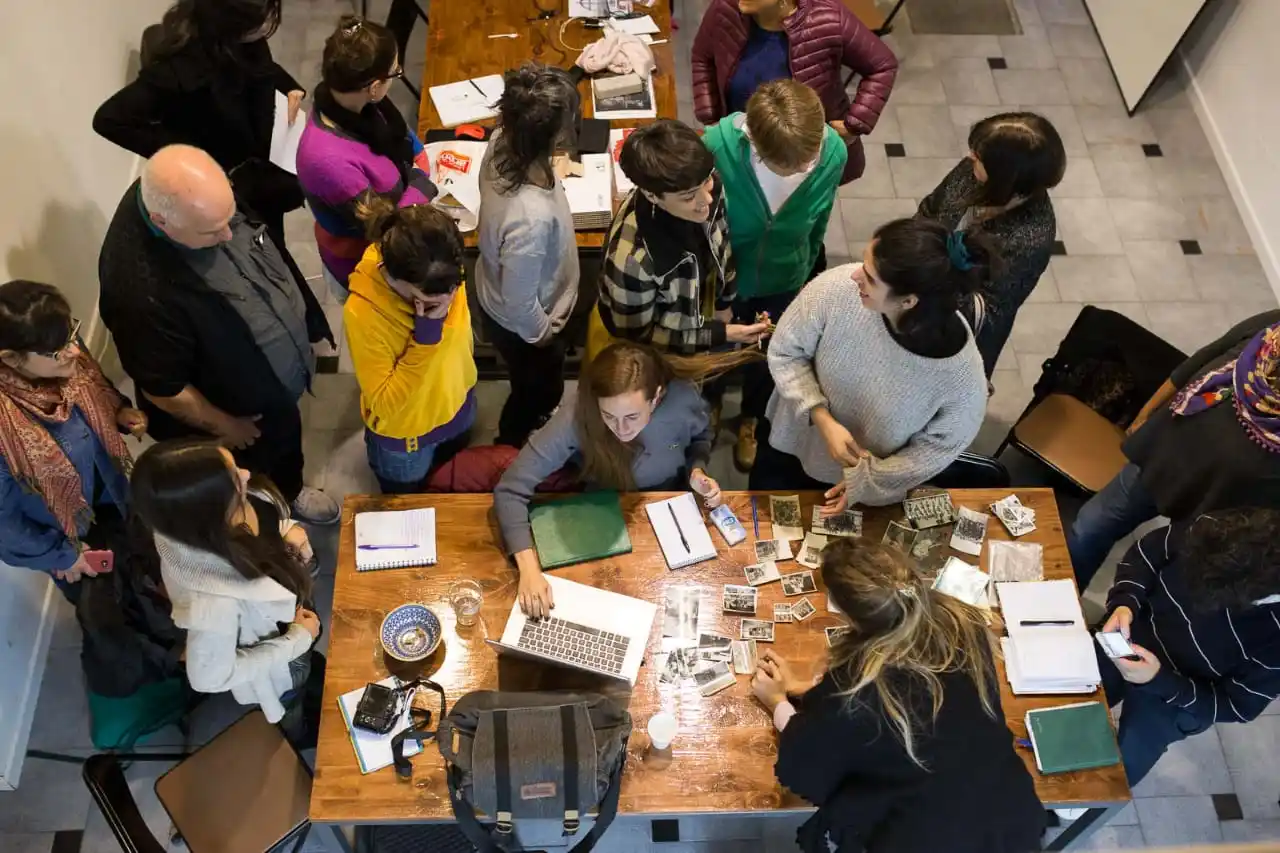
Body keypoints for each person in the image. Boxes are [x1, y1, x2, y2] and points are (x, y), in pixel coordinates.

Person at [98, 144, 340, 524]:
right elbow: (163, 389)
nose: (230, 234)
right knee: (251, 480)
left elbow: (265, 251)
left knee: (285, 445)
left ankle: (290, 491)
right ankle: (275, 526)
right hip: (239, 417)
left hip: (274, 402)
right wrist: (226, 425)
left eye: (230, 216)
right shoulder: (137, 292)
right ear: (164, 223)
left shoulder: (199, 197)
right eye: (213, 231)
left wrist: (307, 319)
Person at [752, 538, 1044, 852]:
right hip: (1009, 817)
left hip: (928, 837)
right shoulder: (963, 625)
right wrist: (817, 692)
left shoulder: (859, 691)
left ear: (850, 617)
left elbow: (808, 761)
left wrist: (778, 702)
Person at [494, 342, 758, 617]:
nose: (621, 430)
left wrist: (697, 471)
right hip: (603, 508)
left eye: (632, 416)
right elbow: (511, 488)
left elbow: (700, 437)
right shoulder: (578, 413)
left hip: (671, 505)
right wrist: (528, 568)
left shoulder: (684, 399)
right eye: (608, 416)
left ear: (656, 398)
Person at [753, 218, 991, 508]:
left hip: (853, 485)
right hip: (788, 444)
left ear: (908, 302)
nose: (853, 275)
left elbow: (936, 450)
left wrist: (867, 481)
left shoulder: (963, 382)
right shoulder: (835, 290)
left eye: (870, 277)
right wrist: (821, 416)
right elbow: (786, 351)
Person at [1068, 309, 1280, 592]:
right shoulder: (1270, 329)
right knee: (1089, 528)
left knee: (1167, 586)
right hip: (1166, 458)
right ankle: (1061, 600)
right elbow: (1191, 367)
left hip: (1224, 506)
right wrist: (1145, 415)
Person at [131, 439, 324, 748]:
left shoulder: (198, 520)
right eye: (234, 478)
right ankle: (299, 735)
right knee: (293, 704)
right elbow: (208, 677)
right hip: (281, 656)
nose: (246, 474)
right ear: (211, 509)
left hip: (295, 619)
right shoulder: (213, 602)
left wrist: (287, 528)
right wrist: (297, 639)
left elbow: (268, 525)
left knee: (314, 673)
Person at [702, 79, 847, 471]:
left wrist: (808, 270)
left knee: (771, 354)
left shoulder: (833, 153)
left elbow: (821, 219)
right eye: (791, 166)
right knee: (716, 348)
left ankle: (751, 417)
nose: (806, 169)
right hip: (723, 281)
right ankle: (710, 404)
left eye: (810, 161)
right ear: (756, 146)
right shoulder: (716, 146)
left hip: (785, 278)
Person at [1096, 510, 1280, 787]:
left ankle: (1076, 811)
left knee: (1119, 773)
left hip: (1179, 695)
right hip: (1130, 634)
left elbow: (1237, 706)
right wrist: (1125, 601)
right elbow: (1146, 553)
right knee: (1061, 702)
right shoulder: (1218, 529)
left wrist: (1159, 681)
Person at [93, 0, 305, 237]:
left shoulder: (245, 38)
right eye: (260, 20)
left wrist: (289, 88)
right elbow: (109, 120)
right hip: (236, 182)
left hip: (264, 160)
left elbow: (263, 68)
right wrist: (188, 154)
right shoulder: (181, 70)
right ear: (233, 22)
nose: (267, 26)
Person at [0, 280, 146, 599]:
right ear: (11, 359)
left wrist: (119, 412)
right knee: (119, 615)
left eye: (73, 334)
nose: (75, 351)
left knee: (150, 569)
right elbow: (4, 525)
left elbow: (96, 388)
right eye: (58, 351)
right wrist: (62, 555)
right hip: (67, 539)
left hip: (115, 490)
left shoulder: (62, 342)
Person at [589, 120, 770, 362]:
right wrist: (718, 333)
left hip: (701, 315)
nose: (706, 199)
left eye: (706, 181)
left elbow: (723, 248)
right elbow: (640, 336)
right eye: (688, 197)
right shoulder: (631, 261)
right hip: (666, 354)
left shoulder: (703, 186)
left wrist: (724, 303)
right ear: (652, 195)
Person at [475, 63, 582, 448]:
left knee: (531, 387)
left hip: (504, 298)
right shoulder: (529, 220)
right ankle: (512, 447)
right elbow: (520, 304)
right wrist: (543, 338)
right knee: (535, 393)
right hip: (527, 328)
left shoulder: (503, 139)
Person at [296, 16, 436, 295]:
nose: (397, 77)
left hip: (401, 220)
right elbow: (387, 228)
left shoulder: (360, 104)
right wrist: (421, 182)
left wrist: (419, 168)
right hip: (367, 266)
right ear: (374, 86)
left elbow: (409, 142)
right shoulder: (328, 162)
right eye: (395, 72)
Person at [344, 200, 477, 494]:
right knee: (409, 501)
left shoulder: (441, 267)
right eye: (430, 299)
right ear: (395, 278)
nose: (448, 300)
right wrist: (426, 337)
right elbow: (384, 403)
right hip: (408, 443)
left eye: (456, 287)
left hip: (459, 405)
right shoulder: (363, 313)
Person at [918, 112, 1065, 377]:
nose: (970, 155)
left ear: (1005, 174)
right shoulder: (970, 172)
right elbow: (930, 209)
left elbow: (990, 308)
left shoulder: (1032, 236)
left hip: (954, 327)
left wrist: (927, 282)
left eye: (979, 155)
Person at [691, 0, 897, 185]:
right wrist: (710, 115)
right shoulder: (724, 9)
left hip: (801, 156)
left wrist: (854, 124)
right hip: (743, 144)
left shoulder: (827, 18)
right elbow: (702, 57)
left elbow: (882, 66)